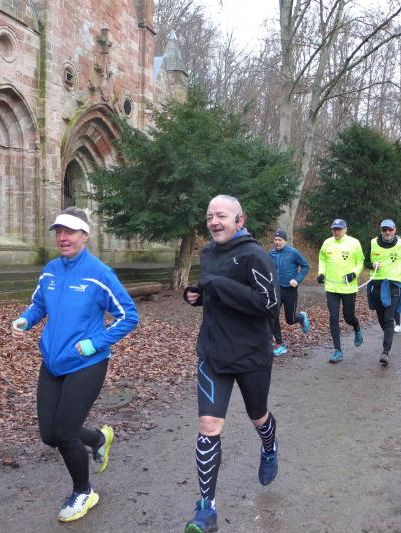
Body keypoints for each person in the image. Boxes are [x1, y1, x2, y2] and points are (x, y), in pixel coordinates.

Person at [10, 207, 139, 523]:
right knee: (49, 435)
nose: (63, 237)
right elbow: (39, 304)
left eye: (69, 232)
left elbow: (128, 316)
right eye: (59, 232)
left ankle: (83, 492)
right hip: (52, 362)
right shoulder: (51, 270)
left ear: (85, 235)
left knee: (65, 434)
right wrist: (26, 319)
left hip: (87, 363)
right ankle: (97, 439)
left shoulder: (99, 273)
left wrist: (96, 342)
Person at [183, 195, 280, 533]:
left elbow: (269, 305)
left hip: (251, 355)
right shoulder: (208, 253)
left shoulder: (255, 256)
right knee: (208, 426)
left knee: (258, 415)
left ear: (240, 220)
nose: (213, 221)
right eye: (209, 216)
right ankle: (206, 509)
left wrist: (217, 284)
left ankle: (269, 446)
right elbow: (215, 294)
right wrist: (197, 295)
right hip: (213, 354)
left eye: (221, 215)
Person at [364, 219, 401, 367]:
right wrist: (372, 264)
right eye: (384, 229)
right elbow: (365, 262)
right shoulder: (373, 243)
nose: (387, 232)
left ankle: (385, 352)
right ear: (381, 231)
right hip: (377, 285)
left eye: (390, 229)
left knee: (389, 318)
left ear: (394, 230)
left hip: (394, 285)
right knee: (381, 318)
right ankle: (388, 333)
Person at [317, 218, 365, 363]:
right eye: (334, 229)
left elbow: (360, 262)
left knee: (348, 317)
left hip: (348, 288)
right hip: (331, 287)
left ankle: (356, 327)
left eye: (339, 229)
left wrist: (354, 274)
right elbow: (322, 259)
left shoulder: (354, 243)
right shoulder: (327, 242)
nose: (336, 232)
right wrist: (321, 273)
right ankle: (338, 351)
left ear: (345, 229)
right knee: (333, 317)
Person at [268, 229, 311, 356]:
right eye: (275, 240)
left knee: (290, 319)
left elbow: (305, 266)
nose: (277, 242)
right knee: (273, 316)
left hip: (290, 290)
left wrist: (297, 279)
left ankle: (301, 317)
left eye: (280, 240)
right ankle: (280, 344)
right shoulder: (271, 254)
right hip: (276, 290)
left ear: (285, 241)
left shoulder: (293, 253)